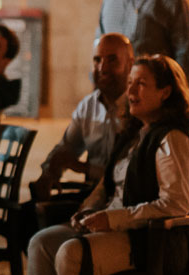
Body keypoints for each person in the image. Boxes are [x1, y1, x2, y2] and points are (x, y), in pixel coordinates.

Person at [12, 54, 189, 275]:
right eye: (130, 82)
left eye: (141, 83)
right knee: (42, 242)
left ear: (165, 92)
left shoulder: (170, 139)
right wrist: (87, 211)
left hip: (146, 238)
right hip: (112, 227)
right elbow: (108, 188)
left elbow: (175, 203)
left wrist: (111, 219)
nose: (131, 90)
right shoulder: (134, 134)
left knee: (73, 254)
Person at [30, 33, 134, 202]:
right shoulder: (88, 106)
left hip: (124, 200)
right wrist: (49, 172)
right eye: (97, 60)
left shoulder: (138, 106)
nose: (103, 68)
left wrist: (82, 167)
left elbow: (130, 175)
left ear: (130, 65)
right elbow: (67, 147)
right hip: (92, 197)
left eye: (112, 60)